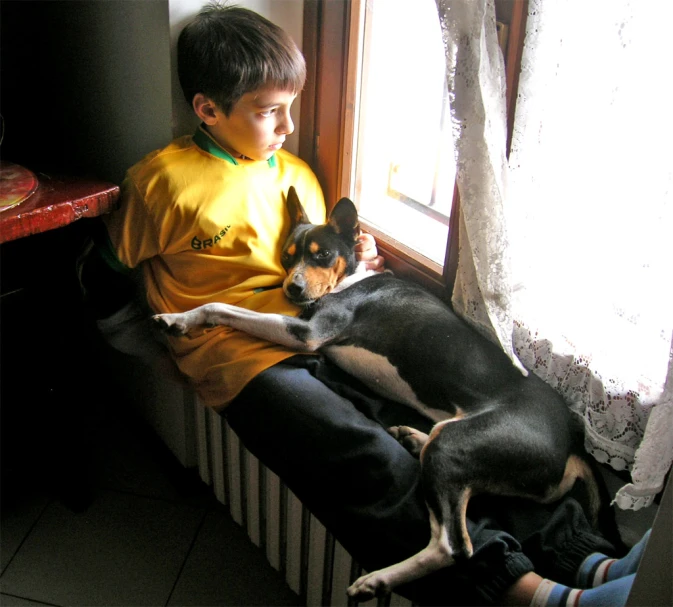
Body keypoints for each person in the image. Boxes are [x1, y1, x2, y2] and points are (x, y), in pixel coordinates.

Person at [84, 3, 645, 605]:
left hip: (320, 331)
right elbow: (102, 277)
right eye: (269, 111)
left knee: (448, 438)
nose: (288, 125)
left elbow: (320, 265)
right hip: (237, 357)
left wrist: (359, 264)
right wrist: (159, 357)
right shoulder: (161, 183)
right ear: (208, 110)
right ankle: (524, 593)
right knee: (366, 456)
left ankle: (582, 561)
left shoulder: (295, 174)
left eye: (291, 107)